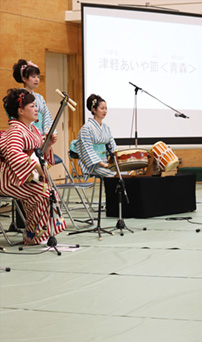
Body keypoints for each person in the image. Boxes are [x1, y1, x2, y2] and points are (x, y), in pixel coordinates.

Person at [0, 88, 66, 245]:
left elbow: (38, 152)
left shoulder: (33, 129)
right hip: (9, 179)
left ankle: (33, 232)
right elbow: (14, 155)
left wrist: (48, 144)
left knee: (47, 194)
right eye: (32, 106)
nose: (36, 109)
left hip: (23, 178)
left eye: (36, 106)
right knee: (45, 194)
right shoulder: (15, 130)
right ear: (20, 111)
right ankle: (31, 233)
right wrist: (36, 166)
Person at [76, 94, 117, 180]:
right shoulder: (86, 129)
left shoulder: (106, 128)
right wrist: (102, 164)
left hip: (107, 162)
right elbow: (88, 150)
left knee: (123, 173)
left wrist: (115, 160)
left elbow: (112, 146)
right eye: (102, 108)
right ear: (94, 110)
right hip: (94, 165)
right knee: (114, 174)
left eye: (106, 108)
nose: (104, 111)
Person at [13, 59, 54, 136]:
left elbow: (46, 117)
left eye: (38, 77)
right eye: (33, 76)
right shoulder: (18, 97)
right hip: (25, 135)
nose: (37, 79)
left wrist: (47, 133)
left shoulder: (40, 98)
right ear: (24, 78)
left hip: (41, 136)